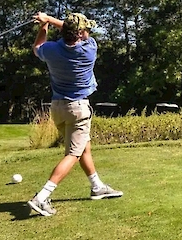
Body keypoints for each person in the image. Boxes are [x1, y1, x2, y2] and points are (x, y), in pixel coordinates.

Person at [27, 12, 123, 217]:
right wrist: (50, 19)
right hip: (78, 108)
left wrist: (44, 25)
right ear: (80, 34)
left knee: (83, 147)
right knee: (73, 153)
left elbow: (37, 48)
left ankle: (97, 187)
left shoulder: (51, 50)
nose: (88, 31)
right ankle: (41, 197)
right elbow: (71, 29)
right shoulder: (89, 49)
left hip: (58, 107)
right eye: (85, 29)